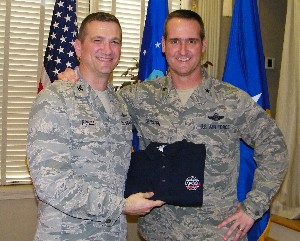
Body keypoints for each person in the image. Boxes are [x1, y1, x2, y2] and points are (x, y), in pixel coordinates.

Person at [58, 9, 288, 241]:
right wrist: (75, 79)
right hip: (159, 233)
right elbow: (100, 103)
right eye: (175, 41)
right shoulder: (139, 97)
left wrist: (252, 209)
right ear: (164, 45)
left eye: (191, 41)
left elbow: (274, 148)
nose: (184, 51)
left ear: (203, 45)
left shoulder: (231, 100)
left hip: (216, 233)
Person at [27, 12, 164, 241]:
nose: (107, 50)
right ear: (78, 48)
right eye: (97, 40)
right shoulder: (56, 100)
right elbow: (51, 183)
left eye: (115, 42)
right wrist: (119, 206)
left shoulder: (119, 104)